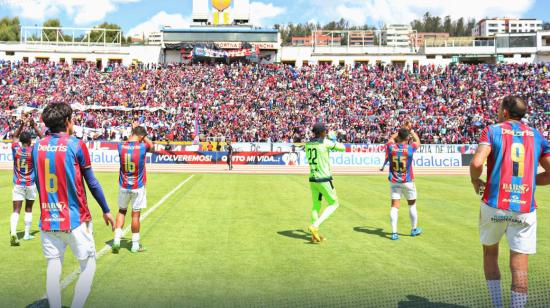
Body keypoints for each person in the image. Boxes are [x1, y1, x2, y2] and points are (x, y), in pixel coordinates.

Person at [470, 96, 550, 308]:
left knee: (490, 253)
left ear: (505, 111)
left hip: (495, 205)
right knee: (520, 264)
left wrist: (474, 179)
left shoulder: (493, 130)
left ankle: (497, 305)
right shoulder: (536, 135)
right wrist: (528, 182)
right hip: (524, 207)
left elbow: (477, 162)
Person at [32, 103, 114, 308]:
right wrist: (106, 209)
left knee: (53, 265)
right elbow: (92, 182)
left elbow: (37, 182)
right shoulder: (76, 144)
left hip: (48, 219)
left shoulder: (37, 146)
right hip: (75, 218)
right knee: (88, 265)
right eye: (73, 118)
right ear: (67, 121)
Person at [112, 126, 154, 254]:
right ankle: (135, 245)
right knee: (135, 214)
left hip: (124, 185)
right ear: (141, 137)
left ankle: (116, 241)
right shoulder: (142, 147)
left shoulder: (121, 147)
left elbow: (130, 141)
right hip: (138, 186)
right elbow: (151, 145)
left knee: (121, 211)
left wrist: (135, 132)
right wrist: (142, 135)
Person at [305, 123, 346, 243]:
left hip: (313, 178)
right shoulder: (325, 142)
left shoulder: (308, 144)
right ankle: (315, 226)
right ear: (322, 132)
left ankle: (314, 234)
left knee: (315, 205)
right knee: (334, 203)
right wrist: (334, 139)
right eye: (325, 131)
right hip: (324, 179)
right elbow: (343, 148)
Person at [10, 114, 43, 246]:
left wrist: (22, 124)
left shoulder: (16, 149)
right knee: (28, 208)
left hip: (18, 183)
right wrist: (34, 125)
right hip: (30, 184)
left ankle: (13, 232)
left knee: (16, 210)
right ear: (30, 140)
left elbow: (14, 136)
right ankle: (27, 234)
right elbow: (43, 138)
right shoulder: (33, 150)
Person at [386, 127, 422, 240]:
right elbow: (418, 141)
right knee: (412, 205)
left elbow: (391, 138)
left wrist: (401, 132)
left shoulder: (391, 147)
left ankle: (394, 232)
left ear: (399, 136)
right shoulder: (410, 148)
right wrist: (410, 130)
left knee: (394, 207)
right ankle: (414, 229)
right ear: (407, 138)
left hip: (394, 181)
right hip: (407, 181)